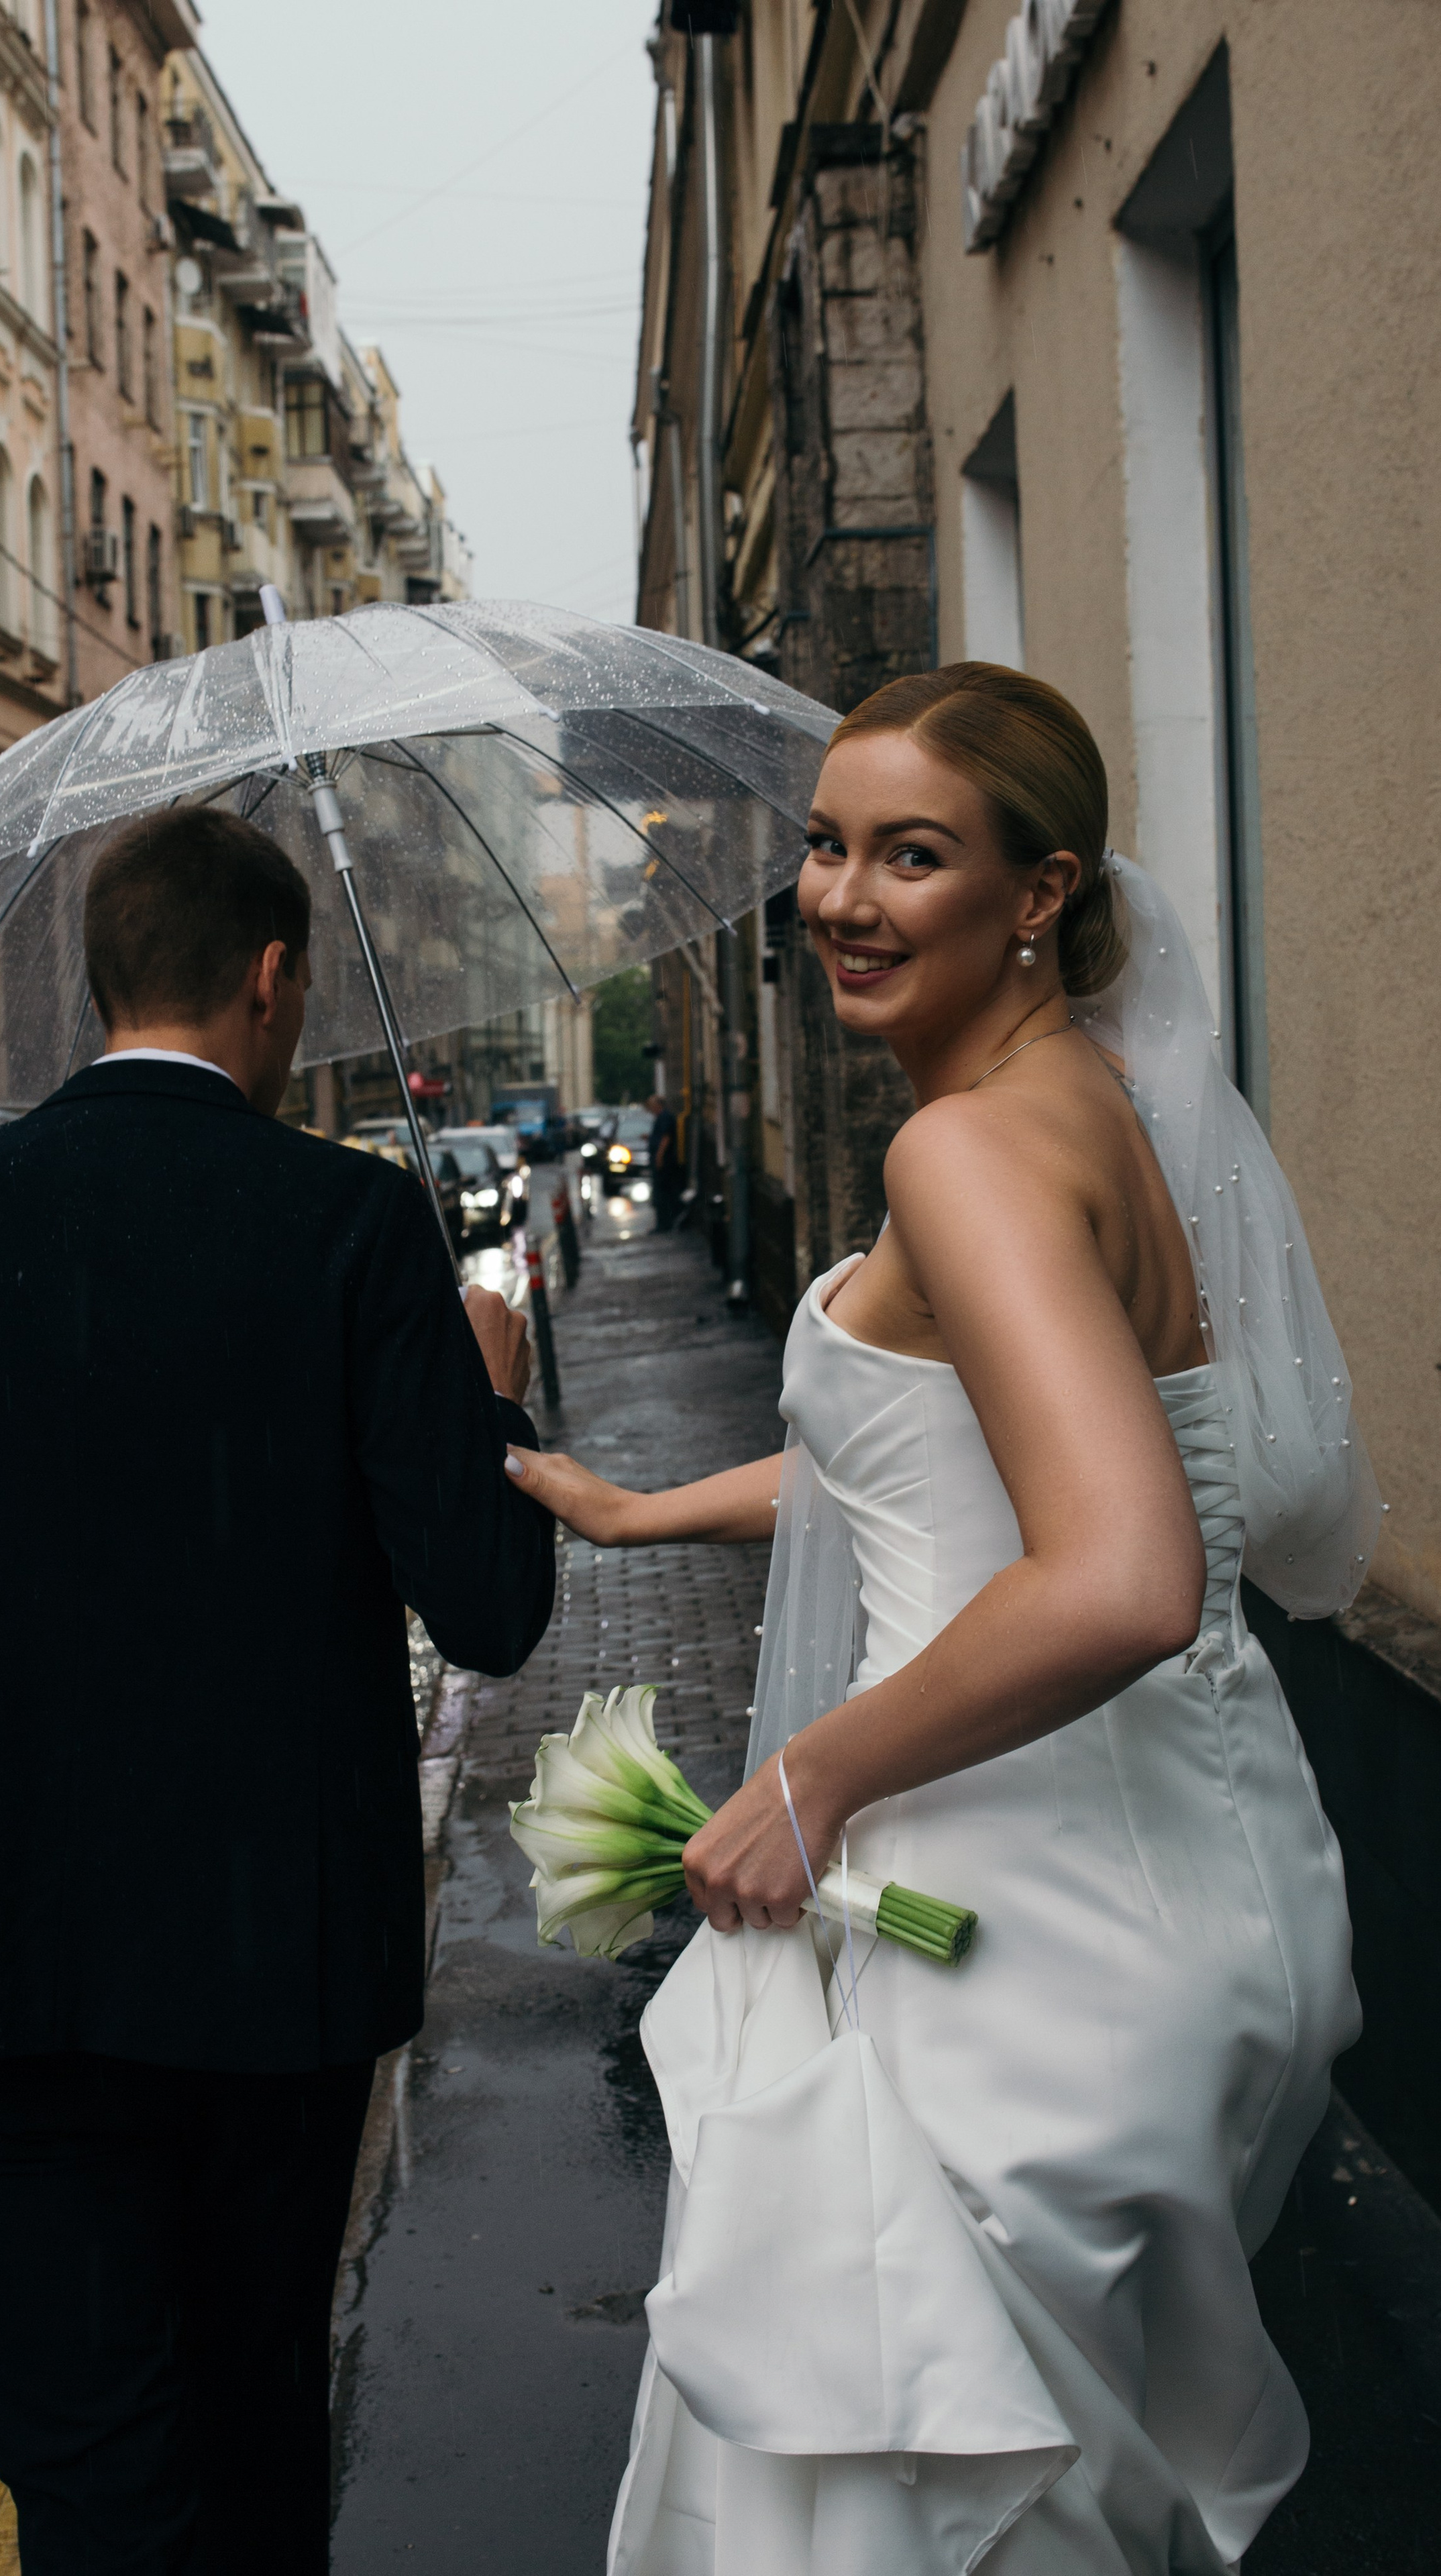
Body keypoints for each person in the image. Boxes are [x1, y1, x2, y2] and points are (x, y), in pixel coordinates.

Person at [504, 667, 1379, 2575]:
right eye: (825, 847)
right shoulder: (1113, 1106)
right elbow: (969, 1455)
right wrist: (648, 1505)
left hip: (1017, 1930)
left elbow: (1124, 1575)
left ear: (1041, 890)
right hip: (1224, 1890)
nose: (841, 899)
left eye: (914, 856)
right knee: (1083, 2481)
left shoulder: (959, 1152)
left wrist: (805, 1784)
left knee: (932, 2492)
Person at [0, 806, 554, 2575]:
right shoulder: (352, 1223)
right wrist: (491, 1401)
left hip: (0, 1956)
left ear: (102, 984)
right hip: (280, 1969)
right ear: (273, 978)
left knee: (88, 2453)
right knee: (256, 2426)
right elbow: (485, 1609)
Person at [647, 1093, 682, 1232]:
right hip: (663, 1161)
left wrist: (659, 1156)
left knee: (663, 1194)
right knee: (662, 1193)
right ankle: (665, 1223)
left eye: (652, 1106)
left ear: (658, 1105)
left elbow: (666, 1138)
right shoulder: (661, 1118)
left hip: (665, 1162)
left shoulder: (665, 1117)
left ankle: (665, 1224)